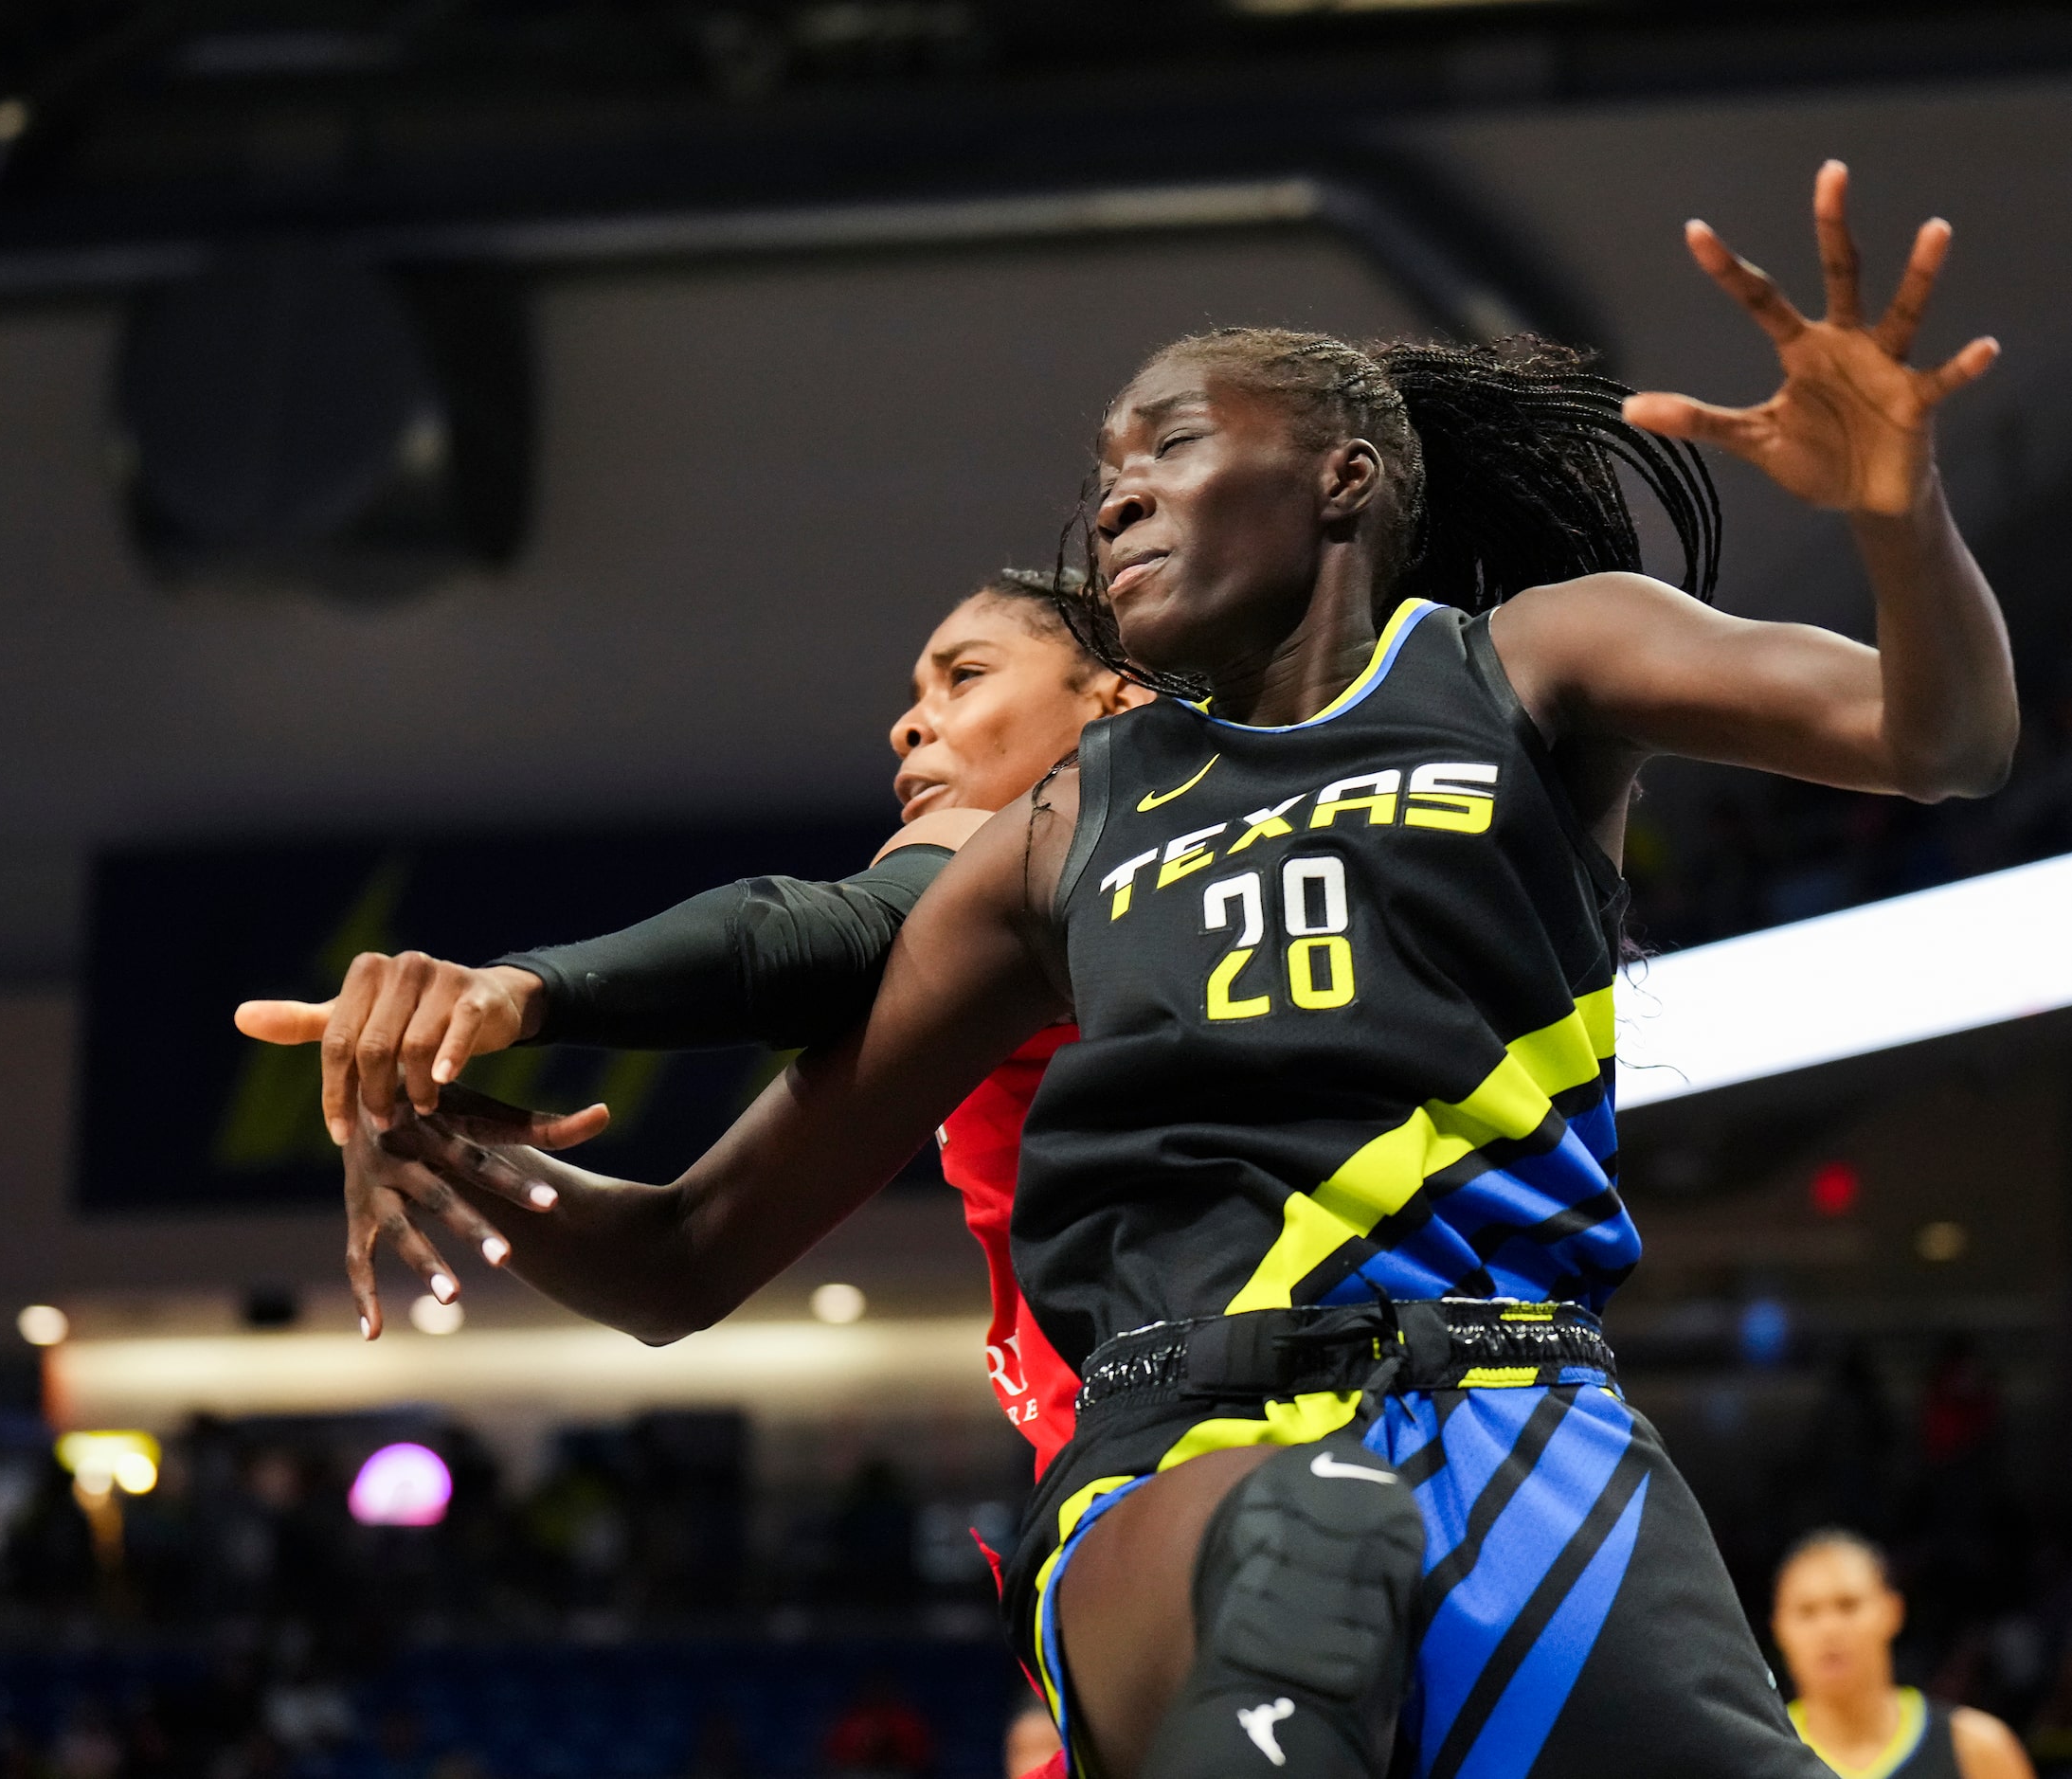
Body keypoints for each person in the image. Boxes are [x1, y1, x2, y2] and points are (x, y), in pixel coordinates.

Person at [259, 161, 2015, 1779]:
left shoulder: (1523, 665)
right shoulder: (1067, 824)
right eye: (1104, 463)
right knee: (1307, 1539)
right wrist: (472, 1087)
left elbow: (1940, 736)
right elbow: (694, 1228)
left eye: (1166, 441)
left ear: (1341, 471)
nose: (1114, 488)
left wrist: (1898, 510)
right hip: (1190, 1447)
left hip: (1525, 1422)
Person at [239, 569, 1147, 1470]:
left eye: (965, 675)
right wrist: (409, 1111)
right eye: (917, 693)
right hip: (1133, 1488)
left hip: (1191, 1470)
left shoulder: (1053, 838)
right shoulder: (1012, 961)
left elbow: (821, 931)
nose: (907, 725)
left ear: (1117, 700)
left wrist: (520, 992)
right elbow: (672, 1269)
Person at [1773, 1529, 2032, 1779]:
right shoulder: (1755, 1755)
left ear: (1892, 1611)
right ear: (1778, 1628)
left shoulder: (1975, 1747)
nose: (1829, 1629)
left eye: (1848, 1605)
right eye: (1807, 1612)